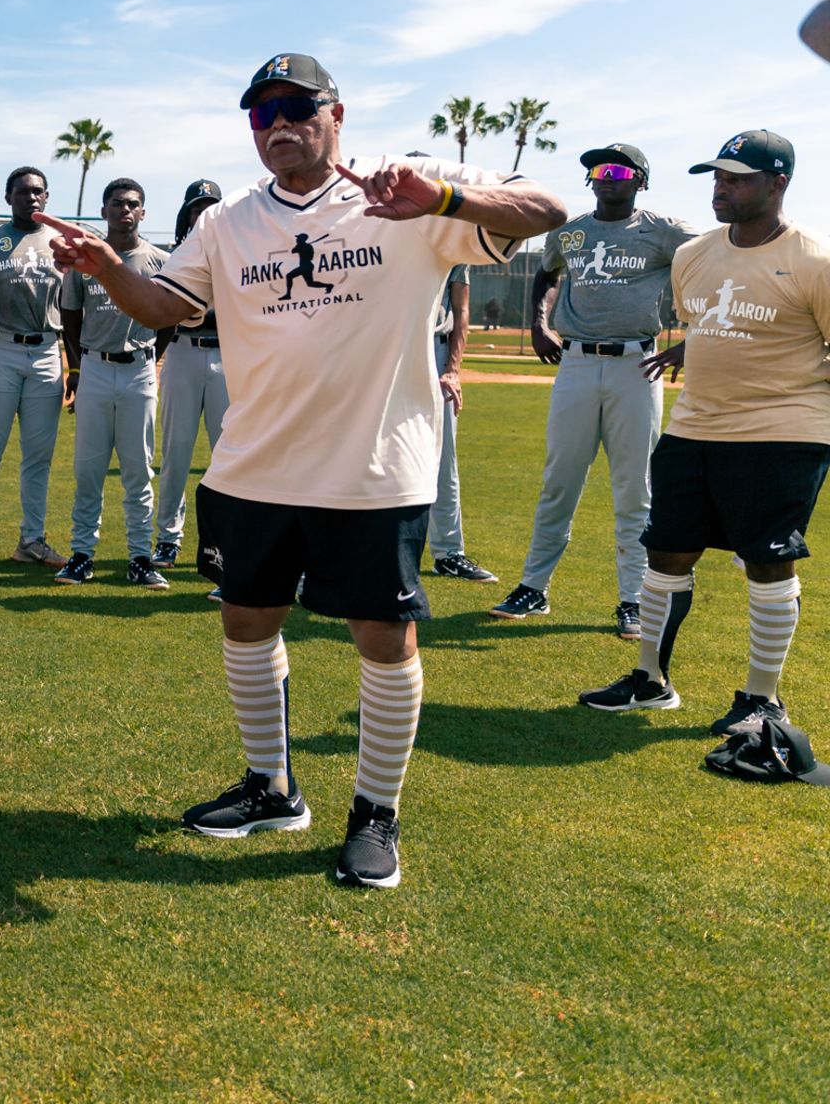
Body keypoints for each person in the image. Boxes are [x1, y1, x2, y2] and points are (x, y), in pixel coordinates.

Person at [44, 52, 564, 888]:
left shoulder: (405, 189)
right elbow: (168, 310)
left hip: (371, 470)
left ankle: (376, 814)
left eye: (297, 106)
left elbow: (548, 206)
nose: (279, 124)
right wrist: (108, 269)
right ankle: (271, 787)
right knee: (245, 622)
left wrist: (446, 202)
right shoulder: (227, 223)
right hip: (253, 468)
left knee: (382, 640)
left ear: (337, 113)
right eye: (262, 113)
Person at [580, 130, 830, 744]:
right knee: (665, 552)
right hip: (694, 428)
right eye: (717, 176)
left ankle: (762, 699)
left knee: (768, 563)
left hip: (783, 433)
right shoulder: (694, 254)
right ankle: (650, 679)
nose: (722, 187)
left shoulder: (815, 262)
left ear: (778, 184)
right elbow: (714, 320)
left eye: (738, 178)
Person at [492, 145, 690, 633]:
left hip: (636, 366)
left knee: (634, 490)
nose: (606, 176)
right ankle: (533, 589)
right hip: (576, 363)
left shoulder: (663, 231)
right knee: (559, 482)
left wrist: (696, 339)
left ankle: (633, 601)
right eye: (598, 169)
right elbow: (545, 272)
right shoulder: (571, 230)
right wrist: (540, 321)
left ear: (640, 180)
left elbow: (716, 264)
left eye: (619, 170)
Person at [58, 178, 169, 589]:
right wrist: (77, 368)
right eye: (117, 203)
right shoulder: (86, 260)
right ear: (103, 211)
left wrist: (154, 359)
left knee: (138, 469)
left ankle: (140, 557)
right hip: (96, 369)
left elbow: (167, 319)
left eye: (133, 204)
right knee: (89, 468)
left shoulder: (158, 260)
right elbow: (70, 315)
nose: (125, 210)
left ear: (143, 212)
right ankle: (82, 554)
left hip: (139, 368)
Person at [0, 166, 68, 571]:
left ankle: (32, 539)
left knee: (39, 456)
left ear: (47, 196)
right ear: (8, 197)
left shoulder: (61, 242)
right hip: (0, 350)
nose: (32, 198)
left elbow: (72, 306)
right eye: (23, 192)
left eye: (38, 191)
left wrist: (72, 365)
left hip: (46, 351)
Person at [155, 180, 227, 573]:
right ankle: (168, 538)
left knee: (229, 456)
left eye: (210, 206)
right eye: (196, 208)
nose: (202, 214)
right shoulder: (174, 255)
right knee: (176, 453)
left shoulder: (238, 254)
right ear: (186, 214)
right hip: (183, 352)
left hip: (226, 356)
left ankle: (224, 543)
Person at [421, 264, 496, 583]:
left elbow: (461, 308)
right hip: (385, 352)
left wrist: (453, 368)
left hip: (435, 354)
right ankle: (334, 557)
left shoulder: (448, 236)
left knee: (443, 458)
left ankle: (448, 552)